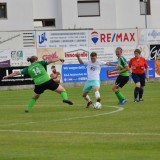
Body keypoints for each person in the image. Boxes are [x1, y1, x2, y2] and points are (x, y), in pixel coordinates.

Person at [3, 56, 73, 112]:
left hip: (38, 84)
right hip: (47, 81)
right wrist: (59, 59)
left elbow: (16, 73)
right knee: (62, 90)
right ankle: (65, 99)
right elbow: (51, 60)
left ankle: (27, 109)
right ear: (36, 60)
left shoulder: (28, 68)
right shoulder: (40, 63)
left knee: (35, 97)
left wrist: (7, 76)